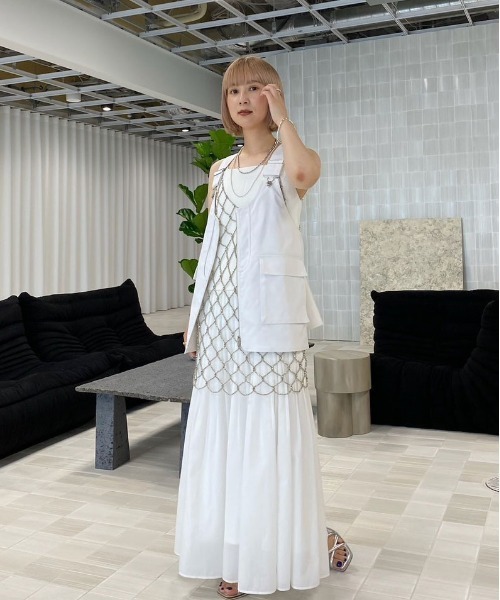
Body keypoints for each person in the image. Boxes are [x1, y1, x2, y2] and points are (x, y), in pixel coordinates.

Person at [175, 55, 352, 599]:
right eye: (234, 92)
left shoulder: (290, 159)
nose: (243, 99)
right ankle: (234, 556)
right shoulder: (219, 172)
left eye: (255, 89)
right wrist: (196, 319)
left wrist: (285, 120)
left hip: (273, 320)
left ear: (273, 96)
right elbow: (213, 249)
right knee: (227, 438)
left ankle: (294, 546)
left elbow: (303, 176)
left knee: (269, 442)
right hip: (222, 322)